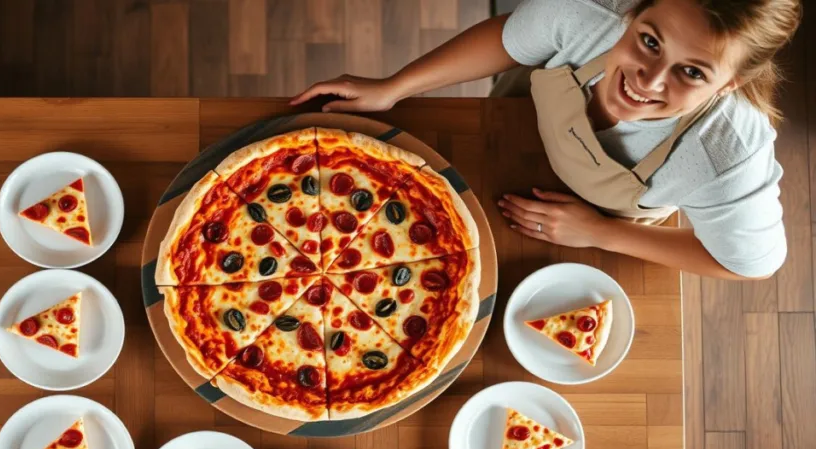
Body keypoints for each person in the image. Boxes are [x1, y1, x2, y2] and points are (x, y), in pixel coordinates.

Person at [290, 0, 801, 280]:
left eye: (690, 72)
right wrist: (393, 89)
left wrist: (599, 233)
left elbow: (745, 264)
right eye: (648, 41)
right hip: (511, 124)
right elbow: (509, 37)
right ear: (632, 11)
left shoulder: (729, 153)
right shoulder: (586, 12)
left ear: (730, 84)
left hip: (590, 228)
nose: (647, 80)